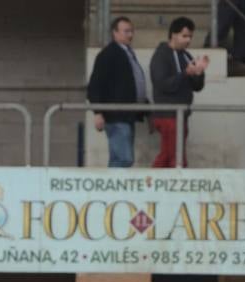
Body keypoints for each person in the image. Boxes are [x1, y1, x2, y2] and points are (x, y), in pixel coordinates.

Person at [86, 16, 149, 168]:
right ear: (115, 33)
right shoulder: (108, 54)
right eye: (126, 31)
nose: (130, 35)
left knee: (120, 157)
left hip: (127, 114)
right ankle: (115, 191)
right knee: (124, 158)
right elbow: (95, 84)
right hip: (116, 115)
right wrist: (98, 112)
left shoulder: (127, 53)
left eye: (131, 31)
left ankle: (113, 190)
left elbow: (132, 82)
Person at [149, 17, 207, 169]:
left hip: (181, 115)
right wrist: (186, 73)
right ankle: (150, 186)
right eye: (184, 36)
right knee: (172, 156)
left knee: (174, 155)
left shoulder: (186, 56)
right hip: (168, 115)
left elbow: (197, 86)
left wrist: (199, 72)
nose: (188, 40)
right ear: (173, 35)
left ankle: (158, 186)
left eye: (190, 37)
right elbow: (163, 84)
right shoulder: (161, 55)